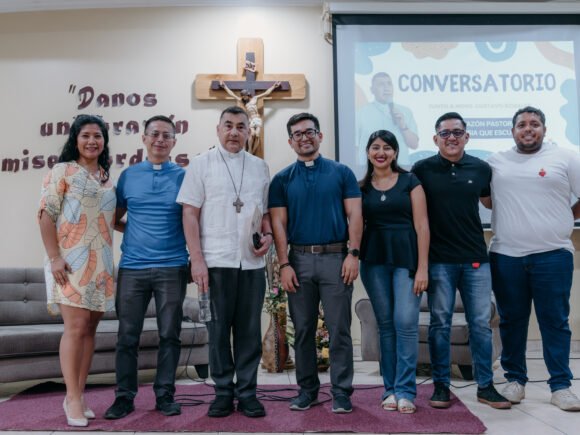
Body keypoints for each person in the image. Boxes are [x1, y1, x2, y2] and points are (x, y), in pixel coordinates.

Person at [177, 106, 272, 418]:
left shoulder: (259, 166)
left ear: (248, 132)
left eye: (240, 126)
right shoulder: (200, 164)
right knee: (217, 332)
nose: (234, 132)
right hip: (215, 262)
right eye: (228, 126)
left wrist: (268, 236)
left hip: (251, 264)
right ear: (218, 130)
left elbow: (264, 213)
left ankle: (247, 393)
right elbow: (190, 214)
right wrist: (197, 260)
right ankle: (222, 392)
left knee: (249, 333)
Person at [411, 112, 511, 410]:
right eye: (445, 133)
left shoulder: (481, 168)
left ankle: (486, 387)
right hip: (439, 260)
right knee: (440, 324)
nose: (451, 137)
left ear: (467, 136)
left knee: (480, 324)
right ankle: (441, 386)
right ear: (435, 139)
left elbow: (491, 202)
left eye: (457, 132)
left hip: (475, 259)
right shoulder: (422, 169)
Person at [484, 106, 580, 412]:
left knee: (555, 321)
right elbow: (487, 200)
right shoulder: (496, 162)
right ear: (513, 131)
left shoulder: (565, 157)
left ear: (544, 130)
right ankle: (515, 380)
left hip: (553, 255)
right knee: (511, 321)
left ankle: (561, 386)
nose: (528, 128)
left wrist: (566, 217)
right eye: (522, 124)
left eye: (534, 124)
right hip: (507, 256)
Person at [269, 112, 363, 414]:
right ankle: (307, 390)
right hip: (298, 260)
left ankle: (341, 392)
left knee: (339, 329)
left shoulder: (342, 172)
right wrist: (284, 264)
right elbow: (278, 224)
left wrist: (353, 254)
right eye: (297, 134)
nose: (304, 137)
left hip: (337, 258)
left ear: (320, 136)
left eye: (309, 131)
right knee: (303, 330)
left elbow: (355, 214)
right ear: (290, 141)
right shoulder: (281, 179)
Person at [104, 115, 189, 420]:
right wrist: (138, 232)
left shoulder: (184, 177)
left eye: (166, 135)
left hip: (173, 266)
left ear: (174, 142)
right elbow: (114, 218)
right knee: (127, 336)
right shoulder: (129, 176)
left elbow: (192, 220)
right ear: (144, 138)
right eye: (155, 134)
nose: (160, 140)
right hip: (133, 268)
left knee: (170, 335)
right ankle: (124, 397)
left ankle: (165, 395)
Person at [38, 114, 115, 427]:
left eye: (98, 136)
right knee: (75, 327)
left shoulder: (106, 177)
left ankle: (80, 394)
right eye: (86, 135)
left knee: (90, 330)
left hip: (102, 263)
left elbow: (109, 220)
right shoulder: (63, 171)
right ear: (75, 139)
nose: (92, 141)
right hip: (70, 261)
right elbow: (45, 214)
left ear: (104, 141)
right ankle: (71, 397)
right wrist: (54, 257)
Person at [359, 130, 429, 414]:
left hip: (407, 260)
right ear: (368, 152)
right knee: (386, 325)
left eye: (387, 147)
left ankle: (406, 391)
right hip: (373, 261)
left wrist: (423, 267)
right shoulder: (361, 187)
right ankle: (389, 390)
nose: (381, 152)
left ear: (396, 152)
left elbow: (422, 226)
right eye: (375, 147)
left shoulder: (411, 181)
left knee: (406, 323)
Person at [356, 72, 419, 170]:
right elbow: (355, 147)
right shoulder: (361, 113)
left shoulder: (405, 112)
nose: (386, 88)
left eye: (389, 84)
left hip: (401, 169)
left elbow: (414, 145)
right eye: (381, 84)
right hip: (370, 170)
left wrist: (403, 125)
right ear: (372, 90)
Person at [220, 80, 281, 154]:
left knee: (257, 135)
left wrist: (274, 86)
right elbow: (233, 95)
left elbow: (265, 93)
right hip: (250, 120)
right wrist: (225, 87)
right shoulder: (243, 101)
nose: (244, 97)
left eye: (245, 96)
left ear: (248, 95)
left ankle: (253, 150)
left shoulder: (254, 98)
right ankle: (250, 150)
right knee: (252, 134)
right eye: (243, 96)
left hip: (257, 119)